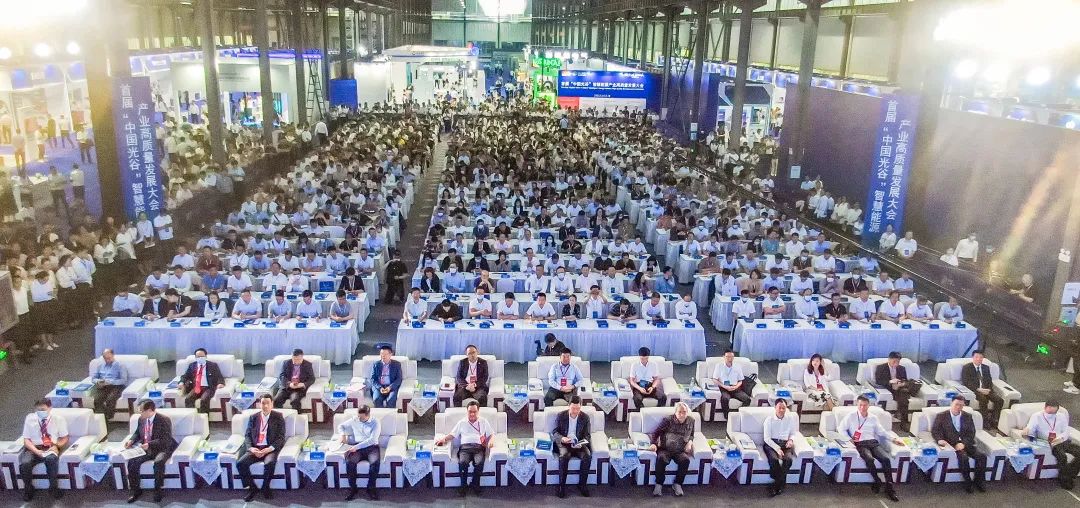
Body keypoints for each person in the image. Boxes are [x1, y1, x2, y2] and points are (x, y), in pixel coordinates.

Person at [841, 395, 903, 501]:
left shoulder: (873, 418)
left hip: (872, 442)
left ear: (868, 405)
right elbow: (841, 428)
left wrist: (893, 439)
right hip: (860, 443)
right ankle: (877, 480)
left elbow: (882, 432)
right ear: (857, 405)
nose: (862, 407)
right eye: (860, 405)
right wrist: (848, 439)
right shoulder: (851, 416)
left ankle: (889, 487)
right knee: (869, 459)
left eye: (865, 405)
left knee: (885, 459)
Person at [435, 400, 494, 497]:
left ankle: (475, 484)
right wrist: (443, 439)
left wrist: (491, 440)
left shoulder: (483, 421)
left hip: (478, 448)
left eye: (474, 412)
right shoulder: (462, 422)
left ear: (478, 411)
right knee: (463, 463)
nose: (472, 414)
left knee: (479, 463)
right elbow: (452, 434)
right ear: (467, 411)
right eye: (470, 411)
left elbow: (491, 434)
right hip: (465, 448)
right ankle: (463, 485)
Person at [123, 400, 176, 503]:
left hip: (162, 448)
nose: (139, 413)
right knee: (132, 462)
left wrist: (149, 444)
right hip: (146, 448)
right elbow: (137, 433)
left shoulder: (164, 420)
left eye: (141, 411)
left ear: (149, 410)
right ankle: (136, 490)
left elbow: (166, 439)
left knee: (158, 462)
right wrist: (131, 440)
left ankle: (158, 490)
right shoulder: (141, 419)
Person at [931, 395, 987, 493]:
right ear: (951, 403)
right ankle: (968, 482)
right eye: (956, 404)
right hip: (951, 444)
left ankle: (979, 481)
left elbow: (971, 433)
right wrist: (939, 440)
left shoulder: (967, 416)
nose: (958, 407)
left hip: (966, 443)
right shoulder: (942, 416)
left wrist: (964, 444)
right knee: (964, 458)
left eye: (961, 405)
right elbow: (935, 431)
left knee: (982, 457)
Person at [1021, 400, 1080, 489]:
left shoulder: (1061, 416)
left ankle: (1069, 474)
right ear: (1045, 408)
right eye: (1050, 412)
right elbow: (1030, 427)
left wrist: (1061, 438)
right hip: (1048, 443)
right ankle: (1065, 479)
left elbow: (1066, 431)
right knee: (1062, 456)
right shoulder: (1037, 416)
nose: (1051, 415)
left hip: (1061, 441)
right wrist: (1027, 430)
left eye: (1054, 413)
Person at [238, 394, 286, 501]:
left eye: (267, 403)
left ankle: (265, 487)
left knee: (269, 463)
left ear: (272, 404)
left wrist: (269, 449)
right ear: (259, 404)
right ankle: (252, 488)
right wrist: (251, 448)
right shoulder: (253, 417)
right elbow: (247, 435)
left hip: (269, 449)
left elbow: (281, 438)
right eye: (263, 403)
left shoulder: (278, 417)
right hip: (256, 448)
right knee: (240, 463)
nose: (265, 406)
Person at [20, 398, 67, 501]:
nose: (40, 412)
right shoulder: (30, 419)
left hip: (50, 447)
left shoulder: (58, 419)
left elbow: (64, 437)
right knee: (24, 464)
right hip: (34, 448)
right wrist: (36, 451)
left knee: (51, 460)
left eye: (43, 410)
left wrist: (57, 446)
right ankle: (28, 489)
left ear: (50, 408)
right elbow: (26, 440)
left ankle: (53, 488)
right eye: (38, 410)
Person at [648, 402, 694, 497]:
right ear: (675, 412)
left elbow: (691, 435)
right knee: (661, 459)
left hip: (680, 450)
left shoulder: (691, 421)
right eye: (679, 412)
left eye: (684, 412)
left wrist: (690, 443)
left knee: (685, 460)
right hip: (665, 449)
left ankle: (677, 484)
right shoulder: (667, 420)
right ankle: (659, 484)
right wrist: (653, 444)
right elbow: (656, 432)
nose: (682, 414)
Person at [337, 404, 382, 500]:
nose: (359, 419)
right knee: (350, 463)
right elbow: (341, 426)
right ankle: (353, 488)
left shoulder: (375, 422)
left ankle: (371, 488)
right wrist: (342, 435)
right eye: (358, 416)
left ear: (367, 415)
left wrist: (356, 447)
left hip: (371, 447)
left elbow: (372, 440)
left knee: (374, 464)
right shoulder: (355, 419)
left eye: (361, 417)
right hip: (357, 448)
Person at [553, 396, 592, 498]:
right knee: (564, 456)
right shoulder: (561, 415)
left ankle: (582, 485)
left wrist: (581, 443)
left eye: (578, 408)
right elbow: (555, 432)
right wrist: (562, 438)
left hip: (579, 443)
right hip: (565, 443)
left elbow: (587, 436)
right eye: (573, 408)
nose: (575, 411)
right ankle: (562, 486)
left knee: (587, 456)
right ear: (568, 406)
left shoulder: (585, 417)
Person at [763, 398, 797, 497]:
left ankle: (776, 485)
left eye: (784, 408)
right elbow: (766, 438)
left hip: (785, 444)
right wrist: (777, 448)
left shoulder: (790, 419)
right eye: (779, 408)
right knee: (774, 460)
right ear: (775, 407)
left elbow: (793, 433)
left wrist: (791, 440)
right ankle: (781, 484)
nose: (782, 410)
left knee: (788, 460)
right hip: (771, 444)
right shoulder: (769, 420)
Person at [961, 350, 1004, 429]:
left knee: (999, 400)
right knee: (983, 400)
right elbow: (966, 382)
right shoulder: (967, 367)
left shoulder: (985, 368)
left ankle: (994, 420)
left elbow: (989, 380)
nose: (978, 359)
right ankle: (984, 421)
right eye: (976, 357)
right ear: (973, 357)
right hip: (975, 390)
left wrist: (988, 389)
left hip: (986, 389)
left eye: (981, 357)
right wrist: (978, 389)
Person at [873, 351, 915, 426]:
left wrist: (901, 383)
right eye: (894, 361)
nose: (896, 363)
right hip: (888, 389)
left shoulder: (902, 368)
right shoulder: (881, 368)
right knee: (904, 397)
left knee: (904, 392)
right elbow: (878, 381)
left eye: (898, 361)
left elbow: (904, 379)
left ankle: (902, 420)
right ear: (889, 359)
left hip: (899, 389)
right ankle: (903, 421)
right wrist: (890, 381)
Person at [180, 348, 225, 414]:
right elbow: (185, 376)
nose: (200, 358)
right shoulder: (192, 365)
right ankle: (191, 416)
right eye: (198, 357)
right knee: (188, 399)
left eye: (202, 356)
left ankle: (204, 418)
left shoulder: (213, 365)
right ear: (195, 357)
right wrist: (181, 382)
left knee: (204, 400)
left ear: (206, 356)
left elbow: (219, 376)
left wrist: (220, 383)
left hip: (208, 388)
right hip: (196, 387)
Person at [710, 349, 750, 418]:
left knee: (747, 399)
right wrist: (724, 386)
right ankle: (727, 416)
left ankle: (738, 415)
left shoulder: (737, 366)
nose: (730, 359)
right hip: (724, 387)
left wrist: (736, 386)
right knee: (725, 399)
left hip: (735, 388)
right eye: (727, 357)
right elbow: (714, 379)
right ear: (723, 357)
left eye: (731, 357)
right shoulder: (719, 366)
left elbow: (740, 380)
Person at [91, 348, 128, 420]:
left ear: (113, 355)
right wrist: (98, 381)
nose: (107, 360)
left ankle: (108, 417)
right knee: (97, 400)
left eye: (109, 358)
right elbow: (93, 378)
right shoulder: (100, 366)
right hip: (103, 386)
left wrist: (110, 382)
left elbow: (124, 380)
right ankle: (101, 419)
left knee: (110, 399)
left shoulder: (120, 366)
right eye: (105, 358)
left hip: (116, 386)